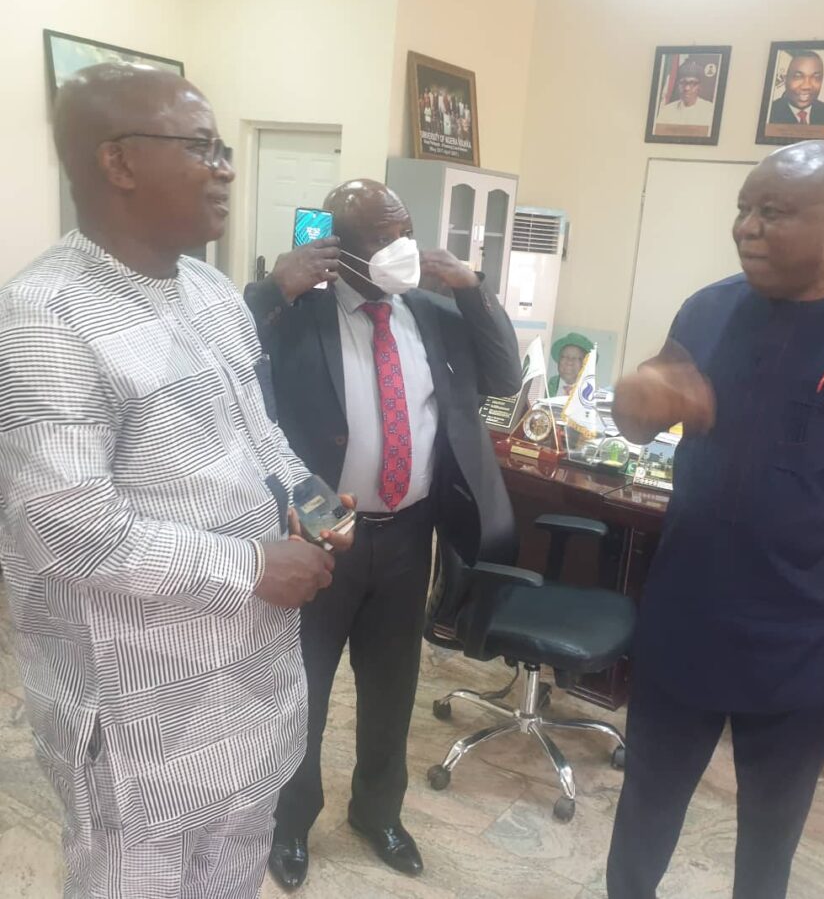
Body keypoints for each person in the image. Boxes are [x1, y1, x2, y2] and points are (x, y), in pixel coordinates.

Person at [0, 64, 355, 898]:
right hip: (141, 720)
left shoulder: (210, 290)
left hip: (253, 689)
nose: (225, 167)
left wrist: (312, 502)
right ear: (117, 163)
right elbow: (69, 529)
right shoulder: (45, 317)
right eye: (201, 148)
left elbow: (255, 431)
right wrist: (254, 568)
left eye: (222, 147)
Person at [606, 139, 824, 898]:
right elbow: (639, 411)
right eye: (742, 209)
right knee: (642, 819)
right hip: (686, 619)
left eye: (771, 212)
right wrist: (634, 398)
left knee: (767, 845)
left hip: (804, 639)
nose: (746, 227)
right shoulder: (707, 310)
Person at [244, 179, 521, 890]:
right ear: (339, 247)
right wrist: (275, 288)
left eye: (405, 230)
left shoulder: (429, 310)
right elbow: (230, 368)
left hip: (408, 533)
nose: (401, 247)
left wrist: (469, 286)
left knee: (391, 687)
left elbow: (502, 373)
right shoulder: (297, 316)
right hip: (321, 536)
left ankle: (377, 813)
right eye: (383, 236)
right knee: (302, 691)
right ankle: (290, 823)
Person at [769, 50, 824, 126]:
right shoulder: (770, 113)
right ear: (785, 79)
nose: (806, 86)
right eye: (798, 76)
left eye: (816, 77)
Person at [656, 59, 715, 128]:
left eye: (692, 83)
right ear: (678, 85)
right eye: (683, 83)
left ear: (699, 86)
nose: (687, 88)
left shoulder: (710, 110)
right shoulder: (667, 111)